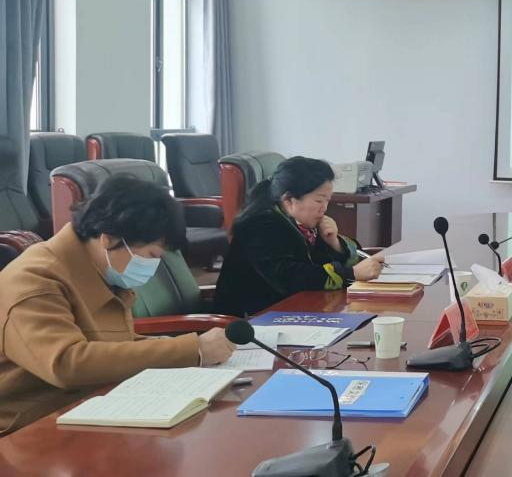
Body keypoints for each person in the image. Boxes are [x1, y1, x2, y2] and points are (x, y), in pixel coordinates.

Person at [0, 175, 234, 435]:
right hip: (28, 428)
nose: (153, 266)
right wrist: (192, 349)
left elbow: (114, 344)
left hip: (89, 405)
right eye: (152, 255)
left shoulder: (101, 271)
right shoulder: (35, 279)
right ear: (109, 238)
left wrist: (188, 350)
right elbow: (66, 363)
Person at [213, 156, 384, 316]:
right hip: (250, 322)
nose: (324, 208)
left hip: (293, 310)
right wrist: (350, 273)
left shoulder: (301, 222)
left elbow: (321, 263)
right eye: (319, 201)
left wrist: (335, 243)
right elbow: (289, 276)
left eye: (327, 201)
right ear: (289, 199)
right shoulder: (260, 224)